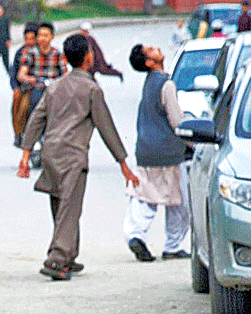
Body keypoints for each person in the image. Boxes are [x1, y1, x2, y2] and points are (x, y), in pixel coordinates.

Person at [16, 34, 139, 281]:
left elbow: (35, 120)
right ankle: (57, 258)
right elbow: (107, 129)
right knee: (70, 209)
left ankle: (69, 256)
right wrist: (123, 163)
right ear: (88, 58)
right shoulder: (92, 89)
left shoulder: (55, 87)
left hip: (50, 152)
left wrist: (26, 154)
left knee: (61, 207)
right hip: (73, 156)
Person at [123, 44, 190, 263]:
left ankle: (135, 234)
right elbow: (176, 121)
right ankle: (173, 245)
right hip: (169, 151)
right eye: (151, 50)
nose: (157, 48)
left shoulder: (149, 82)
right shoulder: (166, 84)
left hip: (145, 150)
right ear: (149, 63)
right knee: (178, 203)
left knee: (145, 197)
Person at [17, 22, 68, 116]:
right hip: (36, 88)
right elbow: (21, 74)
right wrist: (30, 79)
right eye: (40, 35)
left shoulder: (58, 54)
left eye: (46, 35)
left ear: (52, 37)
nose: (42, 38)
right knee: (32, 104)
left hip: (54, 89)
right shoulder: (30, 53)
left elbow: (65, 73)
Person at [10, 22, 39, 147]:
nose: (29, 42)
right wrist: (16, 87)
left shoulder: (47, 52)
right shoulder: (21, 53)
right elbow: (14, 73)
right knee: (21, 107)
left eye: (32, 39)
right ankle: (19, 133)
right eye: (27, 39)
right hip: (25, 88)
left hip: (43, 88)